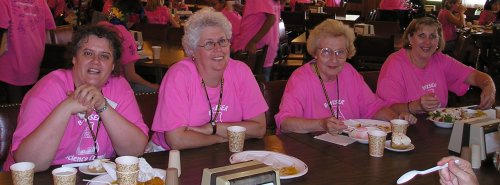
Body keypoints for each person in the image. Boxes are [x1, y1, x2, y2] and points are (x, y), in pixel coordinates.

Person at [2, 25, 149, 172]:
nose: (96, 61)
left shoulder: (119, 87)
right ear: (74, 58)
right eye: (88, 53)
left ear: (112, 66)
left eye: (104, 56)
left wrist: (103, 106)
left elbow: (135, 151)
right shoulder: (48, 89)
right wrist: (65, 108)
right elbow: (30, 165)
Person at [148, 8, 268, 151]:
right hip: (167, 157)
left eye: (222, 41)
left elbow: (259, 128)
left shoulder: (241, 71)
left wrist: (214, 128)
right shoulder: (179, 75)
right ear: (192, 51)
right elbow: (177, 140)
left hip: (220, 153)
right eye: (209, 43)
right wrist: (220, 138)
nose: (218, 49)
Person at [275, 20, 416, 135]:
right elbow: (285, 123)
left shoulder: (349, 72)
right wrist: (321, 124)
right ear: (314, 53)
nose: (334, 59)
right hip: (311, 153)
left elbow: (373, 107)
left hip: (349, 150)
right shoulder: (301, 78)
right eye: (326, 52)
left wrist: (396, 120)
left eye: (340, 52)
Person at [376, 17, 496, 116]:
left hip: (435, 129)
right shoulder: (395, 63)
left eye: (433, 36)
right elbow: (387, 108)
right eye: (421, 35)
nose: (427, 42)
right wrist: (417, 106)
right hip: (402, 132)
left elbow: (474, 76)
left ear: (438, 41)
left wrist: (489, 86)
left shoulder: (440, 59)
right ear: (410, 38)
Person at [0, 0, 56, 103]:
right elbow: (49, 25)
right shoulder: (41, 2)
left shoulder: (4, 2)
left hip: (11, 61)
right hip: (33, 59)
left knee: (13, 105)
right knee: (27, 103)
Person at [97, 21, 160, 93]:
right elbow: (131, 76)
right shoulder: (126, 37)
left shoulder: (100, 27)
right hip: (119, 87)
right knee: (160, 91)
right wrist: (153, 86)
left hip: (100, 84)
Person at [231, 0, 283, 81]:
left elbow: (271, 18)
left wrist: (253, 41)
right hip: (264, 47)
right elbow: (261, 13)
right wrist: (245, 8)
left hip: (254, 49)